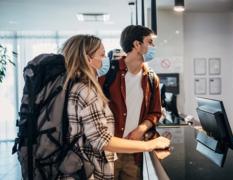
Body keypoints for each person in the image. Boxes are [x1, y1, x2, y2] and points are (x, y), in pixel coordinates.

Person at [61, 34, 170, 179]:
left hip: (81, 167)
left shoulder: (72, 86)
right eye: (102, 54)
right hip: (90, 170)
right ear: (88, 59)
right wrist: (150, 145)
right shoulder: (86, 91)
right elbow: (102, 140)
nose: (106, 58)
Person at [99, 25, 160, 180]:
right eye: (150, 42)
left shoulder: (152, 78)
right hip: (108, 152)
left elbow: (155, 112)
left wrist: (142, 128)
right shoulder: (108, 73)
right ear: (137, 45)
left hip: (135, 152)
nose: (153, 47)